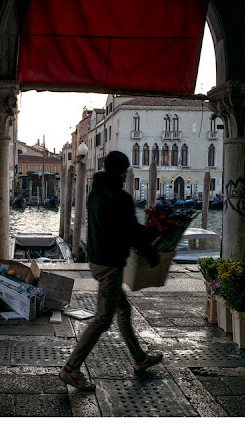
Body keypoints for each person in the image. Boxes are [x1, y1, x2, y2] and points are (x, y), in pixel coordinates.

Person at [59, 150, 163, 391]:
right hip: (110, 265)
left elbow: (117, 228)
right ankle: (70, 369)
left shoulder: (94, 194)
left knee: (123, 309)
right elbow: (130, 231)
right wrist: (152, 248)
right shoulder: (121, 198)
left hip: (96, 260)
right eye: (126, 170)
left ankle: (139, 358)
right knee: (102, 320)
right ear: (122, 171)